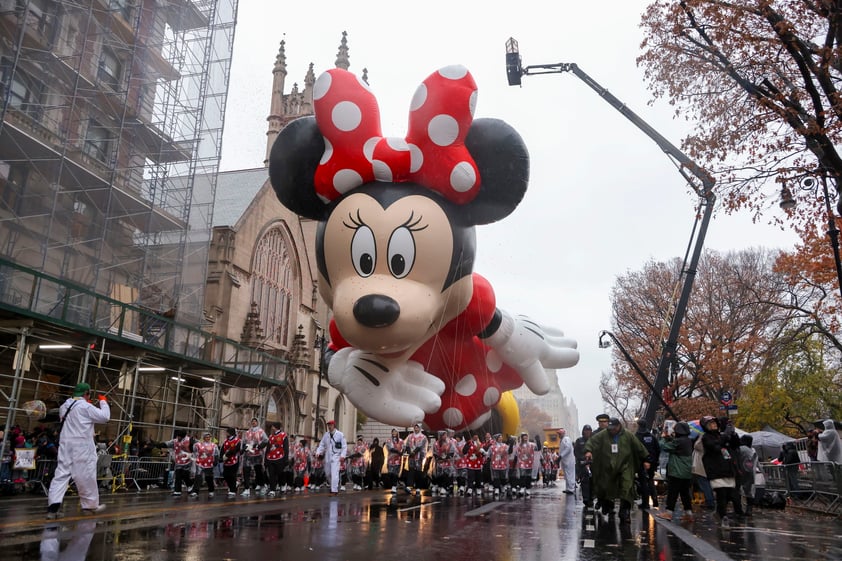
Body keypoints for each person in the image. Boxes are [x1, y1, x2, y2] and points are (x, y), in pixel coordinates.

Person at [46, 383, 110, 519]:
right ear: (87, 393)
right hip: (81, 445)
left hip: (65, 444)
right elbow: (105, 417)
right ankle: (90, 505)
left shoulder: (65, 406)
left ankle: (53, 508)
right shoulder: (85, 406)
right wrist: (103, 402)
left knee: (61, 475)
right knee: (85, 475)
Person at [584, 417, 650, 524]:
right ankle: (608, 506)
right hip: (609, 466)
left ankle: (625, 512)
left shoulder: (628, 435)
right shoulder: (604, 434)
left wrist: (646, 460)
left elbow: (639, 447)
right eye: (610, 428)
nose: (611, 430)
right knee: (607, 487)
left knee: (627, 487)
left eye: (613, 428)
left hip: (626, 466)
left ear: (619, 426)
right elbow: (592, 442)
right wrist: (588, 451)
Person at [700, 415, 744, 525]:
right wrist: (725, 436)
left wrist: (733, 435)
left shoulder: (721, 435)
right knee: (721, 495)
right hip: (716, 470)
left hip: (728, 469)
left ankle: (722, 513)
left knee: (733, 494)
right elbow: (715, 447)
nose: (713, 425)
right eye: (710, 424)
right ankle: (723, 516)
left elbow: (735, 445)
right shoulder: (706, 437)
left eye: (714, 423)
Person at [656, 421, 694, 521]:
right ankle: (689, 514)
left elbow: (664, 446)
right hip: (686, 472)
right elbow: (675, 444)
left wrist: (663, 437)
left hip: (677, 471)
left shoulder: (677, 441)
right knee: (685, 493)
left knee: (673, 492)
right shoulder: (688, 440)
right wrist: (670, 438)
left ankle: (668, 513)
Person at [315, 419, 347, 495]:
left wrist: (342, 455)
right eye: (328, 425)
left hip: (336, 456)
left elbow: (344, 446)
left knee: (334, 473)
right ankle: (333, 485)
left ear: (334, 425)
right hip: (328, 456)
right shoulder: (326, 435)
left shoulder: (340, 434)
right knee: (327, 473)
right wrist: (318, 452)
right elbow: (322, 444)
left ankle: (334, 490)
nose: (329, 426)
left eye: (331, 425)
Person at [635, 419, 660, 510]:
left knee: (643, 482)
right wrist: (655, 461)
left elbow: (636, 450)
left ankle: (645, 503)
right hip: (652, 462)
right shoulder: (652, 436)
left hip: (642, 463)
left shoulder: (637, 436)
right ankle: (655, 499)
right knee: (650, 480)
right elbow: (658, 449)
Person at [241, 417, 268, 497]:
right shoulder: (247, 432)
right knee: (246, 470)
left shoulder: (261, 431)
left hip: (257, 454)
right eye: (252, 421)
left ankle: (262, 485)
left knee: (258, 471)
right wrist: (244, 448)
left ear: (257, 423)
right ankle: (247, 489)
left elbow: (266, 440)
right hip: (248, 454)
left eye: (255, 421)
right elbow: (244, 441)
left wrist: (258, 446)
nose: (253, 423)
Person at [190, 431, 219, 497]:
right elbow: (194, 451)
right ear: (203, 438)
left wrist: (216, 461)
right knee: (198, 477)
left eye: (209, 437)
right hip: (200, 463)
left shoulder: (214, 445)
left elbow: (216, 454)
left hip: (209, 464)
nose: (208, 438)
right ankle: (195, 491)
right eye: (206, 437)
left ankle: (211, 491)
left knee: (209, 478)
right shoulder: (198, 445)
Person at [403, 422, 428, 496]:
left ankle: (418, 488)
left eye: (417, 427)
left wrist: (414, 452)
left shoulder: (423, 437)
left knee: (418, 472)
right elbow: (407, 444)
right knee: (411, 471)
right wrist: (409, 452)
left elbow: (420, 446)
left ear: (420, 428)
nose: (416, 428)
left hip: (419, 457)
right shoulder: (410, 436)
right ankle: (409, 486)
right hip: (411, 457)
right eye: (415, 427)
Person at [264, 422, 288, 495]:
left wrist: (285, 459)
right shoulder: (271, 436)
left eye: (273, 427)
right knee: (271, 474)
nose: (271, 428)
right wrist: (266, 459)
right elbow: (268, 448)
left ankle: (283, 484)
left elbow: (286, 448)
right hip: (271, 458)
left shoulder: (283, 435)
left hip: (280, 457)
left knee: (279, 473)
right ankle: (272, 490)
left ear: (276, 427)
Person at [737, 434, 758, 516]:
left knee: (739, 490)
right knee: (749, 491)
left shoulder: (740, 449)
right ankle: (749, 509)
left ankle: (739, 509)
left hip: (740, 471)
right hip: (750, 473)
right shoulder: (753, 450)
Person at [573, 425, 593, 507]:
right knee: (584, 482)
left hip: (592, 464)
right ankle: (586, 498)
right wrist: (582, 459)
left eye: (589, 430)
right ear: (583, 431)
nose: (587, 432)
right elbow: (576, 452)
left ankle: (591, 498)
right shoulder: (579, 441)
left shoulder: (593, 440)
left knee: (592, 482)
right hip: (582, 464)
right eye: (586, 430)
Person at [513, 432, 537, 497]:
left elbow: (538, 448)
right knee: (522, 476)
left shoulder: (531, 445)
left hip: (529, 463)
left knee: (528, 476)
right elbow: (515, 454)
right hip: (522, 462)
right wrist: (514, 464)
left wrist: (538, 441)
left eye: (526, 436)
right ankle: (522, 488)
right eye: (524, 436)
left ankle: (528, 489)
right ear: (522, 437)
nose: (525, 437)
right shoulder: (518, 446)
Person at [220, 427, 242, 497]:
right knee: (225, 475)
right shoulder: (226, 441)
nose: (227, 433)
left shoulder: (237, 440)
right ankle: (234, 484)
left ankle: (232, 490)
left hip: (234, 460)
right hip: (226, 460)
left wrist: (227, 454)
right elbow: (222, 449)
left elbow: (236, 449)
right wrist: (222, 457)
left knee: (232, 475)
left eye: (228, 432)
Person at [384, 428, 404, 493]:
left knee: (395, 473)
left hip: (397, 459)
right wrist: (397, 451)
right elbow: (390, 448)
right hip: (390, 459)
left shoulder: (401, 441)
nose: (394, 433)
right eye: (393, 432)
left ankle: (394, 486)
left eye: (395, 432)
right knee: (390, 473)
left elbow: (403, 447)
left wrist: (402, 452)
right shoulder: (389, 440)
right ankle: (394, 484)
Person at [557, 428, 575, 495]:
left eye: (560, 433)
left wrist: (561, 456)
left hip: (568, 460)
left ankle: (571, 488)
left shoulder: (566, 439)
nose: (559, 435)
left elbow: (568, 448)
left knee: (569, 474)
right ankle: (568, 488)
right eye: (558, 434)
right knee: (567, 475)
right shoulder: (562, 440)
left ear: (563, 433)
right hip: (565, 460)